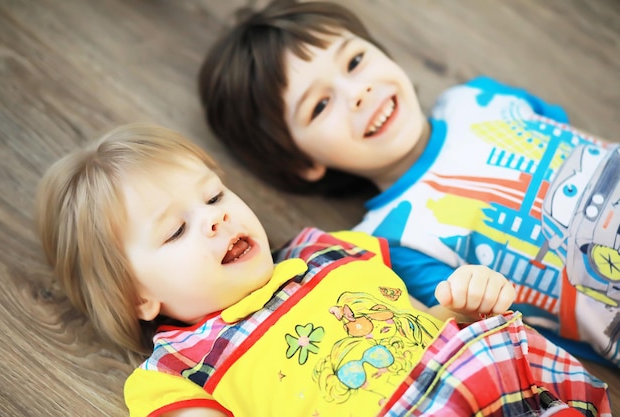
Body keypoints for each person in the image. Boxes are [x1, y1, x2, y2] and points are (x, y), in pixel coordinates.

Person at [35, 124, 611, 417]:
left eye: (213, 197)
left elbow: (417, 328)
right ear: (138, 298)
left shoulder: (330, 250)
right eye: (175, 230)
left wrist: (462, 308)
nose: (213, 220)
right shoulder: (178, 370)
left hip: (482, 384)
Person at [198, 0, 620, 366]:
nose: (358, 92)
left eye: (354, 61)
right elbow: (468, 321)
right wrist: (467, 305)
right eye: (321, 105)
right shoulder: (391, 242)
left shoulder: (478, 99)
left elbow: (578, 143)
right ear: (302, 161)